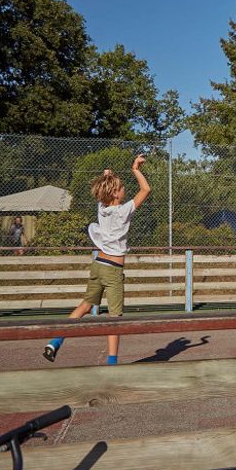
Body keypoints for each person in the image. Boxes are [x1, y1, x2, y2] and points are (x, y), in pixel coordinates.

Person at [44, 156, 150, 364]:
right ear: (114, 193)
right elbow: (145, 189)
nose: (124, 189)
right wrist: (135, 169)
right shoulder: (122, 211)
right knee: (114, 319)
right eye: (121, 188)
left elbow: (105, 192)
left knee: (84, 306)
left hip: (98, 264)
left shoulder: (102, 209)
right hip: (112, 270)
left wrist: (107, 176)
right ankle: (111, 364)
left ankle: (55, 342)